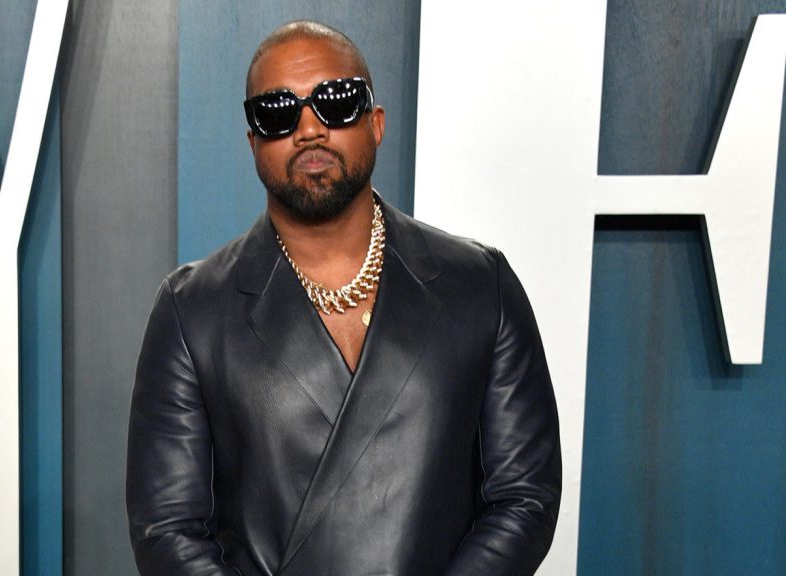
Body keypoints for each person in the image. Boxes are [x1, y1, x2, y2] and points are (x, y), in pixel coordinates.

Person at [127, 20, 561, 576]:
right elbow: (168, 531)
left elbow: (525, 495)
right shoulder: (192, 311)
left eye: (336, 102)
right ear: (253, 141)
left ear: (376, 123)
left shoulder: (479, 284)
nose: (309, 129)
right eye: (278, 113)